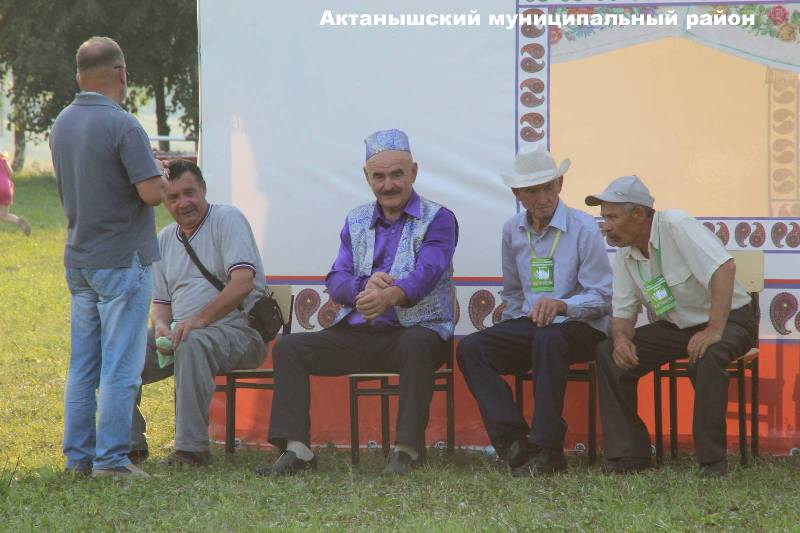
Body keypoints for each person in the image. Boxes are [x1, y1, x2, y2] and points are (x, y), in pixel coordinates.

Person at [258, 129, 458, 476]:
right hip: (360, 335)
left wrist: (387, 297)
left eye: (397, 174)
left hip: (417, 333)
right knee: (290, 348)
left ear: (413, 172)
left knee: (416, 344)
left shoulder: (439, 218)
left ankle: (408, 450)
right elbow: (336, 278)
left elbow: (428, 272)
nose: (388, 185)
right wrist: (364, 287)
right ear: (367, 177)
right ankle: (297, 449)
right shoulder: (356, 219)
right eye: (379, 176)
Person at [50, 36, 168, 479]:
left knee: (83, 366)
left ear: (79, 75)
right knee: (121, 364)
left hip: (79, 258)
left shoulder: (62, 123)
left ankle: (77, 458)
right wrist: (161, 173)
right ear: (122, 72)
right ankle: (113, 460)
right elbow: (150, 193)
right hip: (122, 259)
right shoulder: (124, 125)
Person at [457, 145, 612, 476]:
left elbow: (602, 297)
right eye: (532, 191)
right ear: (517, 194)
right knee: (472, 347)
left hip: (582, 326)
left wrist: (563, 305)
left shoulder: (584, 227)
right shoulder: (512, 229)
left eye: (548, 188)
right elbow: (514, 293)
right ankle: (514, 442)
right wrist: (511, 331)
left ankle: (547, 448)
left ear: (560, 185)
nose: (543, 198)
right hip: (534, 325)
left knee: (549, 338)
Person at [586, 175, 756, 477]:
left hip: (728, 320)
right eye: (604, 218)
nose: (606, 226)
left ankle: (712, 461)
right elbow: (623, 313)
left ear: (639, 214)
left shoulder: (676, 225)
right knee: (609, 352)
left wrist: (713, 330)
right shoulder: (625, 253)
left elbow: (724, 269)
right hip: (676, 327)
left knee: (707, 354)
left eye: (612, 217)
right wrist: (622, 339)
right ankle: (629, 454)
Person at [130, 159, 267, 467]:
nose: (183, 203)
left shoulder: (227, 219)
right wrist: (161, 325)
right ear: (164, 200)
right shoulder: (165, 238)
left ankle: (190, 450)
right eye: (173, 197)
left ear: (203, 189)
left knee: (193, 342)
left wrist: (197, 321)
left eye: (189, 193)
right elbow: (161, 302)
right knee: (121, 349)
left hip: (240, 333)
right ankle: (128, 444)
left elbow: (242, 283)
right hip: (182, 333)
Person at [0, 151, 31, 235]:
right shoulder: (3, 160)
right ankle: (19, 221)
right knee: (4, 215)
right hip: (6, 188)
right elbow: (10, 173)